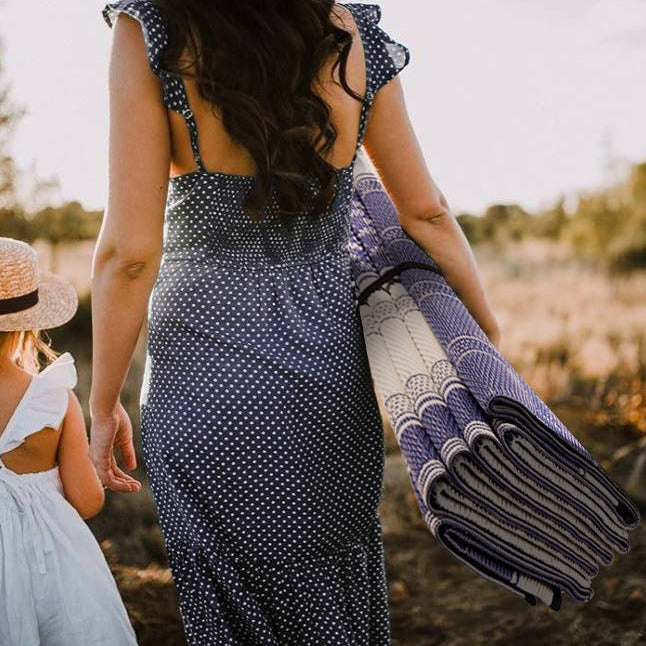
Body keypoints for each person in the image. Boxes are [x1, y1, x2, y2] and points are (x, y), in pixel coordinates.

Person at [91, 1, 501, 643]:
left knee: (227, 607)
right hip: (329, 378)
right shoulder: (350, 31)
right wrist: (484, 341)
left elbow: (130, 254)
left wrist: (102, 400)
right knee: (332, 590)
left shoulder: (155, 26)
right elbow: (427, 213)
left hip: (201, 385)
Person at [0, 237, 138, 645]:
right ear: (29, 321)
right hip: (49, 567)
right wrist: (93, 471)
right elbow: (86, 500)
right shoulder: (54, 398)